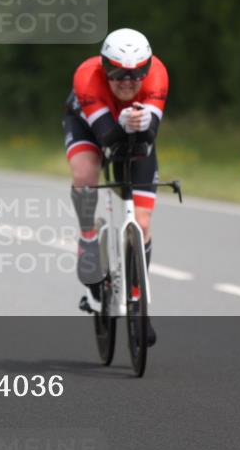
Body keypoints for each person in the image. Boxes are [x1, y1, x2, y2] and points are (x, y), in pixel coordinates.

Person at [63, 28, 168, 345]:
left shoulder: (159, 74)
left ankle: (140, 307)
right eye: (117, 72)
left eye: (137, 74)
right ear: (103, 66)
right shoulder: (87, 75)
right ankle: (88, 239)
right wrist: (123, 122)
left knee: (143, 221)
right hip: (89, 124)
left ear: (148, 68)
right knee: (85, 173)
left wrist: (142, 123)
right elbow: (107, 136)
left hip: (133, 132)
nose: (127, 81)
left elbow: (148, 136)